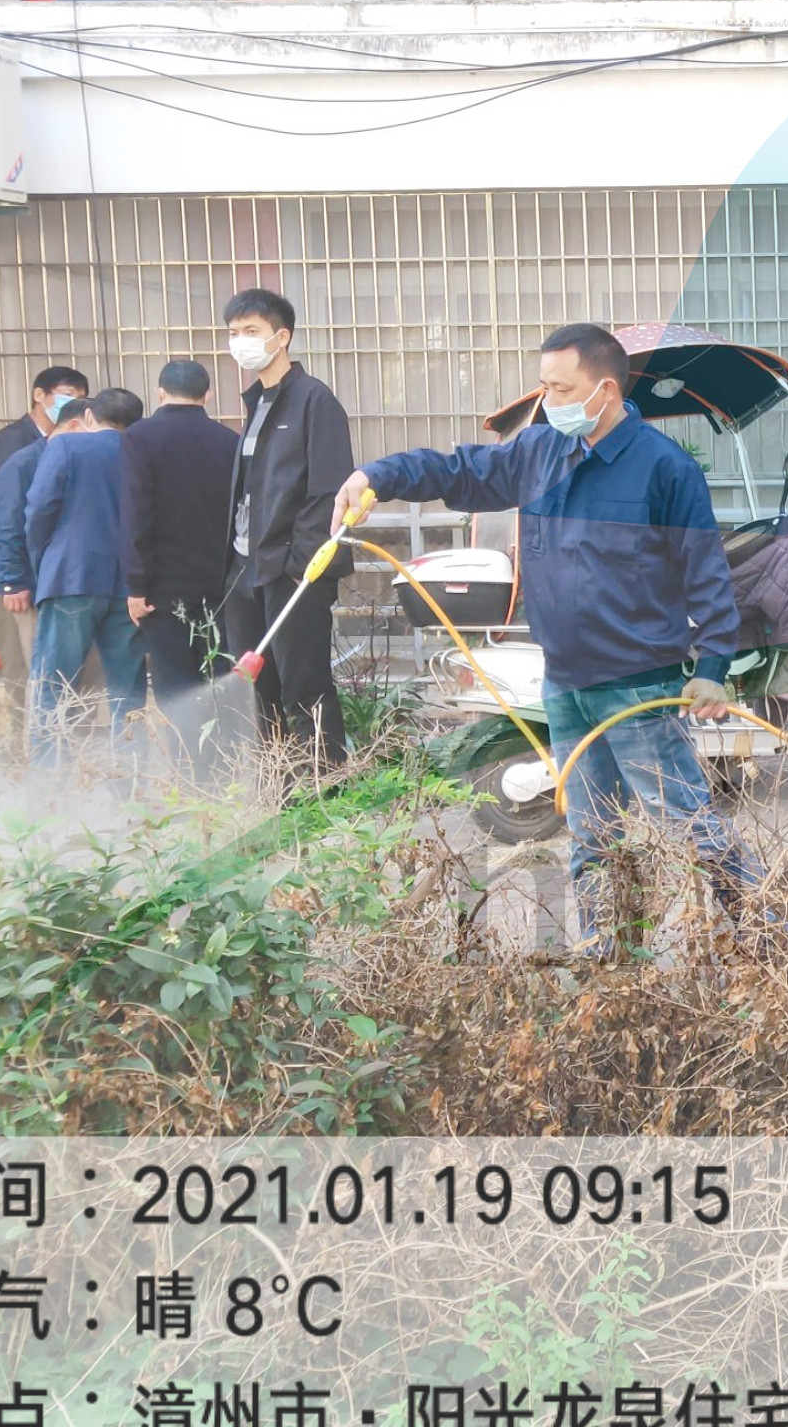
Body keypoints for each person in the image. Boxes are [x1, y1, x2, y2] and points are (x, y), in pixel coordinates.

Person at [334, 323, 754, 954]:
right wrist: (376, 475)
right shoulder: (538, 453)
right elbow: (458, 470)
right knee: (591, 836)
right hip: (566, 683)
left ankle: (773, 936)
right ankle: (606, 956)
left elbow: (706, 573)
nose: (548, 400)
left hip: (638, 686)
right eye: (544, 386)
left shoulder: (665, 469)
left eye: (561, 389)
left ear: (605, 390)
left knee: (691, 828)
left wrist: (714, 667)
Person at [219, 289, 355, 769]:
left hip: (293, 572)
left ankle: (323, 783)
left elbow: (327, 489)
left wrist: (303, 564)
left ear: (282, 337)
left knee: (304, 685)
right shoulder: (257, 403)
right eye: (233, 333)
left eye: (251, 331)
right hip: (246, 570)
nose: (240, 342)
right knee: (259, 687)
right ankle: (278, 784)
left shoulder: (313, 400)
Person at [24, 390, 149, 763]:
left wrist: (43, 560)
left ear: (89, 415)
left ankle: (50, 777)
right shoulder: (143, 452)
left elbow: (38, 510)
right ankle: (130, 778)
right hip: (130, 585)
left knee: (53, 686)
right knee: (128, 691)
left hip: (70, 577)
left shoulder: (67, 447)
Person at [127, 358, 242, 747]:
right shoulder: (229, 440)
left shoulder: (141, 437)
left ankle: (187, 765)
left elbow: (137, 514)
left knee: (174, 684)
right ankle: (222, 761)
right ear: (208, 395)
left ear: (159, 393)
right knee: (219, 675)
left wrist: (136, 585)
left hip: (163, 585)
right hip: (221, 581)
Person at [0, 367, 90, 682]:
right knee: (21, 665)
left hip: (49, 575)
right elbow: (6, 515)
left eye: (80, 398)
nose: (72, 404)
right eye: (67, 395)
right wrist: (12, 580)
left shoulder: (67, 443)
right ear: (39, 395)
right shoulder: (13, 443)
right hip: (15, 574)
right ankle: (21, 718)